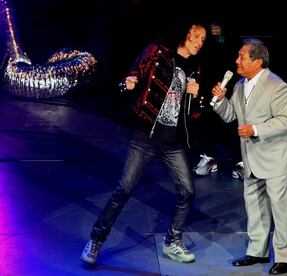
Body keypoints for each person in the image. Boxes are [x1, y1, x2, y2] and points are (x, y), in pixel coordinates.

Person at [80, 19, 207, 265]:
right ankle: (96, 240)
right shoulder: (157, 53)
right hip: (144, 138)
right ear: (184, 34)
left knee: (187, 192)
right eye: (196, 37)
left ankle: (172, 241)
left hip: (173, 142)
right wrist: (128, 84)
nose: (200, 43)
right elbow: (132, 77)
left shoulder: (194, 69)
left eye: (203, 40)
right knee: (123, 190)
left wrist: (196, 96)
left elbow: (194, 115)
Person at [211, 38, 287, 275]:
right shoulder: (241, 85)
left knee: (281, 210)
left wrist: (255, 129)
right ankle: (257, 252)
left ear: (258, 61)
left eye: (242, 56)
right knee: (256, 208)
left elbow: (285, 120)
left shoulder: (277, 85)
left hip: (277, 158)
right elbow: (232, 115)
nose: (237, 61)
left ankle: (285, 257)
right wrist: (221, 101)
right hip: (252, 158)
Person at [189, 22, 244, 179]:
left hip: (231, 70)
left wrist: (224, 32)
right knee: (206, 113)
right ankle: (209, 157)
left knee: (234, 114)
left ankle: (240, 160)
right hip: (207, 70)